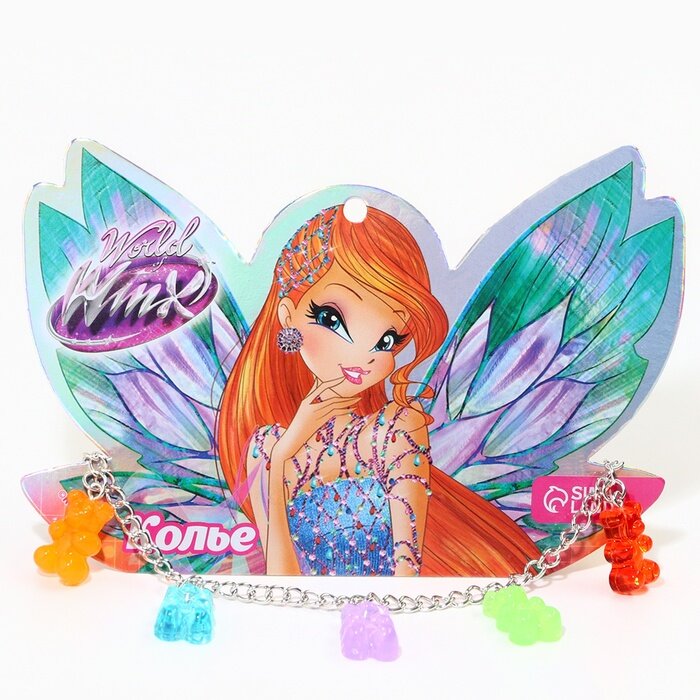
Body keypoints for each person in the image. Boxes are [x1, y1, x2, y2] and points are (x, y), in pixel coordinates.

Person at [217, 204, 540, 575]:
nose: (365, 355)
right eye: (331, 319)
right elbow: (282, 582)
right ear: (288, 316)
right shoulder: (266, 448)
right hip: (302, 609)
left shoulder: (395, 431)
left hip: (391, 607)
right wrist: (282, 457)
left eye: (387, 340)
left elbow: (407, 570)